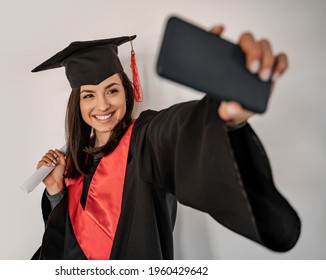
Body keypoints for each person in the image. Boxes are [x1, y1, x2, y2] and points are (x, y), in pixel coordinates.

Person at [29, 27, 300, 259]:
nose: (102, 104)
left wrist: (221, 113)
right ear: (78, 104)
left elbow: (176, 130)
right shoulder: (75, 164)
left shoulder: (145, 138)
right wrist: (56, 192)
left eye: (111, 90)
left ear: (126, 92)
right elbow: (64, 249)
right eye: (89, 95)